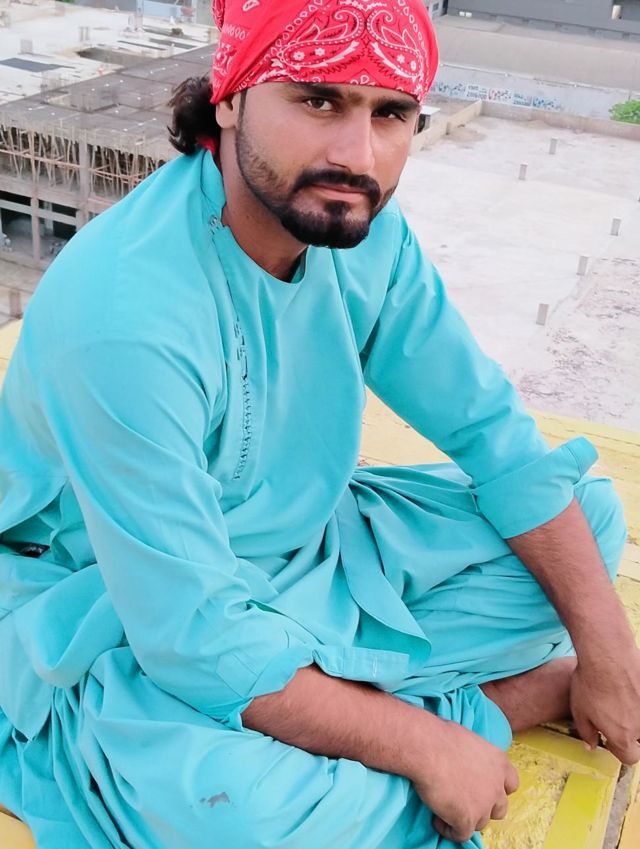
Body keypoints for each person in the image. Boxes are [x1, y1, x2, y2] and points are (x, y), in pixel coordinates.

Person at [0, 1, 638, 847]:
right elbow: (191, 634)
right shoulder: (124, 312)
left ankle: (352, 728)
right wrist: (426, 745)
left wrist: (610, 658)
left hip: (308, 547)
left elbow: (498, 441)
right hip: (117, 594)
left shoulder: (365, 235)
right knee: (240, 815)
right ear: (230, 99)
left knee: (587, 526)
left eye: (391, 114)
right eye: (317, 100)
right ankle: (480, 711)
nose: (357, 155)